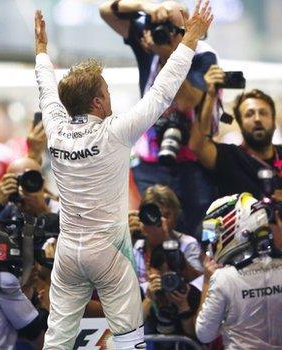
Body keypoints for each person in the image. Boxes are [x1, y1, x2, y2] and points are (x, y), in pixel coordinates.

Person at [34, 3, 213, 348]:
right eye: (107, 92)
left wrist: (41, 51)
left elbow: (45, 87)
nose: (111, 98)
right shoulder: (114, 132)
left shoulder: (54, 127)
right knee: (129, 339)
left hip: (69, 253)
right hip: (110, 254)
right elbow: (162, 92)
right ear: (98, 103)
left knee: (57, 340)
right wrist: (190, 37)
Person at [99, 0, 218, 237]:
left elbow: (186, 102)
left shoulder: (203, 55)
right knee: (154, 229)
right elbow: (105, 11)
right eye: (157, 26)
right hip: (151, 161)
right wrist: (145, 7)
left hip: (191, 161)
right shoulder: (148, 44)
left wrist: (171, 55)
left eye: (169, 27)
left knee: (195, 230)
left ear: (185, 29)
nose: (161, 33)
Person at [195, 193, 282, 349]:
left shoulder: (224, 278)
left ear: (238, 228)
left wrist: (207, 281)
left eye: (216, 232)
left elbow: (204, 334)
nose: (212, 239)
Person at [190, 68, 282, 199]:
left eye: (263, 113)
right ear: (240, 123)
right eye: (249, 114)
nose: (257, 118)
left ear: (273, 121)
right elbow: (197, 146)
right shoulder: (230, 157)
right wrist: (210, 95)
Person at [130, 185, 203, 285]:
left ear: (176, 215)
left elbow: (198, 283)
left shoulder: (188, 244)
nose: (162, 221)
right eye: (156, 216)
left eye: (167, 215)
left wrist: (167, 242)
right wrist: (125, 238)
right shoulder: (137, 246)